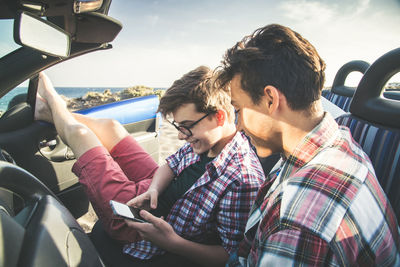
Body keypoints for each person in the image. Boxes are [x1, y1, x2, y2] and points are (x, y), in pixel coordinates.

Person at [34, 66, 265, 267]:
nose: (182, 136)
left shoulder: (242, 180)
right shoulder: (207, 141)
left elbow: (230, 256)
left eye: (186, 126)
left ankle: (54, 103)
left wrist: (172, 243)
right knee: (112, 126)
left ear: (220, 117)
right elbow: (171, 166)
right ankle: (49, 112)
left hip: (140, 228)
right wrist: (153, 188)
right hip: (154, 189)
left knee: (80, 134)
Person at [214, 24, 400, 266]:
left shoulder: (296, 225)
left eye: (238, 109)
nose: (238, 126)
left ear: (270, 99)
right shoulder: (338, 138)